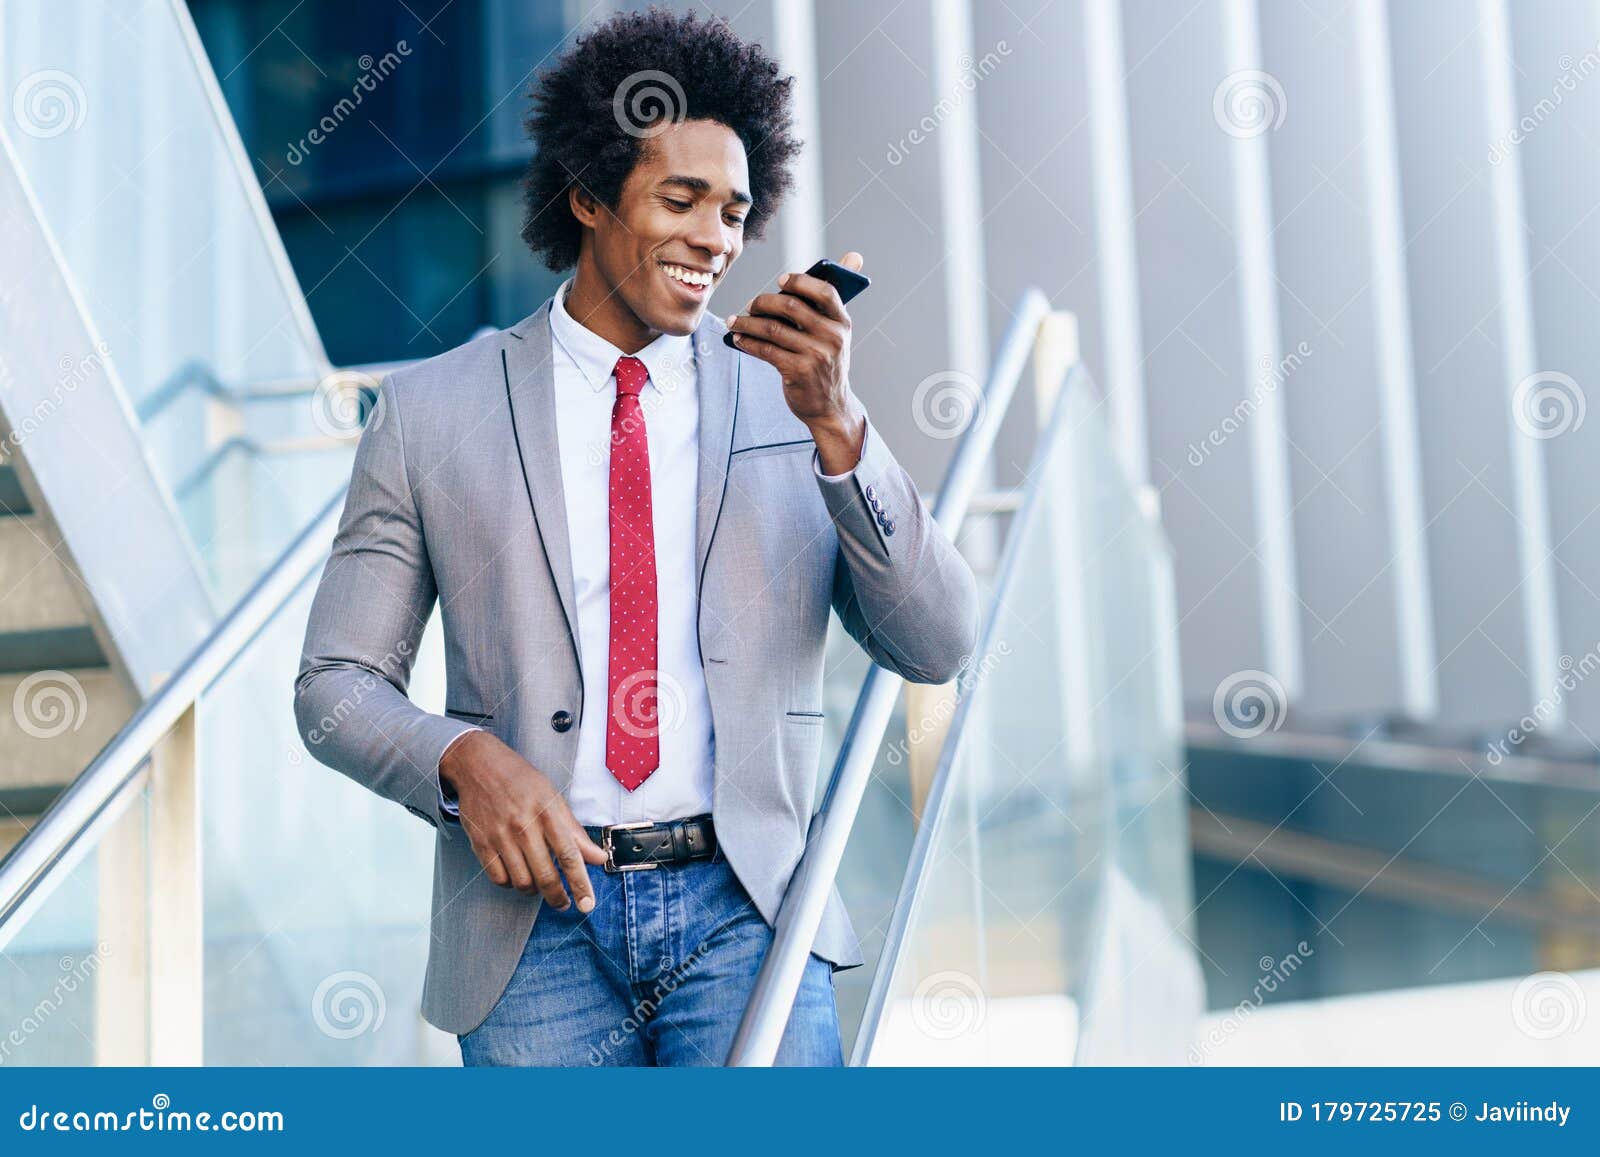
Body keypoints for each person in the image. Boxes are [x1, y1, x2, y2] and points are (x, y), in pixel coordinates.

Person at [294, 7, 978, 1067]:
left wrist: (841, 428)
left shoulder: (787, 398)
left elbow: (936, 641)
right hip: (530, 930)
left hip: (746, 912)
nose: (717, 236)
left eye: (737, 210)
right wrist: (462, 756)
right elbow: (336, 683)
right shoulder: (431, 411)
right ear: (586, 195)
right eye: (682, 198)